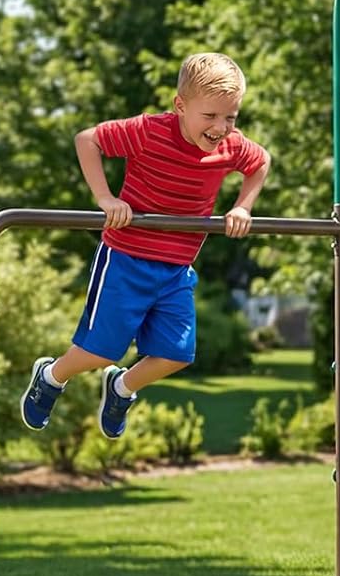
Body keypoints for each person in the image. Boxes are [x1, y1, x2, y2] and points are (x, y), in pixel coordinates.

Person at [20, 52, 270, 440]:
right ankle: (51, 377)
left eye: (231, 117)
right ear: (180, 106)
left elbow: (260, 162)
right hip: (125, 258)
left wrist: (242, 206)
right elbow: (87, 141)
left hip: (176, 268)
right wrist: (106, 199)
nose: (221, 127)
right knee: (101, 351)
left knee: (176, 355)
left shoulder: (231, 146)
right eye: (210, 116)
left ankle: (121, 388)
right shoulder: (149, 131)